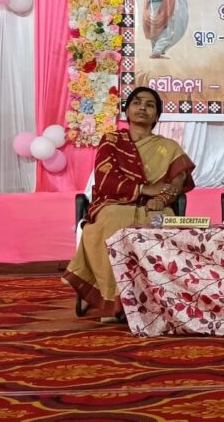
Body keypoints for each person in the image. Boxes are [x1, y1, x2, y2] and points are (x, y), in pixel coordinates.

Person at [63, 87, 195, 322]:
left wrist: (161, 199)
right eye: (137, 102)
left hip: (154, 206)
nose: (143, 107)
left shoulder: (169, 147)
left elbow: (177, 181)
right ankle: (115, 302)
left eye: (150, 105)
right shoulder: (111, 141)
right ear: (127, 111)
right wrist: (143, 189)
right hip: (114, 203)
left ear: (157, 116)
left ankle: (159, 301)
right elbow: (105, 178)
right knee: (114, 219)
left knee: (163, 224)